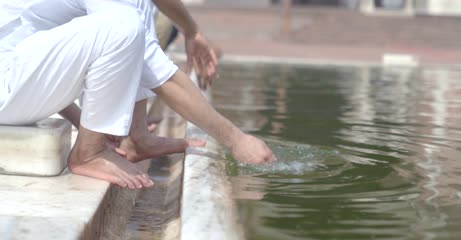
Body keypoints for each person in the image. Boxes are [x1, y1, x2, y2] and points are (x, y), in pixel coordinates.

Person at [0, 0, 276, 189]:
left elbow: (41, 66)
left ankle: (137, 136)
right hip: (7, 85)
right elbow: (154, 69)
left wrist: (192, 30)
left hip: (14, 83)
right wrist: (236, 140)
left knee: (130, 24)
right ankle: (87, 153)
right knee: (122, 26)